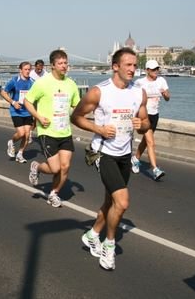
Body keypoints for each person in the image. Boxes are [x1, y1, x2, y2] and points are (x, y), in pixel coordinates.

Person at [71, 48, 149, 271]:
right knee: (122, 202)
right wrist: (99, 129)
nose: (133, 69)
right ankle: (109, 244)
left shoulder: (139, 92)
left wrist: (140, 125)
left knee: (111, 202)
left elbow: (145, 124)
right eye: (128, 65)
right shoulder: (99, 92)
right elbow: (75, 117)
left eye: (135, 65)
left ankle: (92, 234)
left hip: (124, 154)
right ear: (115, 66)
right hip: (103, 153)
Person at [24, 49, 80, 208]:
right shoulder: (42, 83)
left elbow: (76, 105)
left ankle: (53, 193)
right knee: (55, 168)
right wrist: (39, 117)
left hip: (65, 132)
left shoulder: (71, 84)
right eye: (60, 63)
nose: (64, 66)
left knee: (65, 166)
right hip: (47, 132)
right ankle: (36, 166)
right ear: (52, 66)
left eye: (65, 63)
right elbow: (27, 102)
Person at [130, 59, 170, 181]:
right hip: (143, 116)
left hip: (154, 115)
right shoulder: (139, 82)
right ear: (147, 70)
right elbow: (131, 97)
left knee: (146, 141)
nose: (156, 71)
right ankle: (155, 169)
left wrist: (165, 94)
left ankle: (135, 159)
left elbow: (168, 98)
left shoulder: (161, 81)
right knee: (151, 142)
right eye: (153, 69)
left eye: (157, 69)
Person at [0, 61, 34, 163]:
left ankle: (20, 154)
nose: (27, 71)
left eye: (29, 69)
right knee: (21, 133)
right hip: (16, 111)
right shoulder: (14, 81)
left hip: (27, 111)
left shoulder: (32, 82)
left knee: (27, 135)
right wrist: (13, 102)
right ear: (20, 70)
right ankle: (12, 141)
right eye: (25, 69)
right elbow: (3, 92)